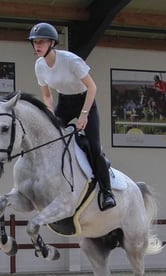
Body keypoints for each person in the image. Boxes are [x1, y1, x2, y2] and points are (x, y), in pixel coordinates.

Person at [28, 22, 116, 211]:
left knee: (94, 147)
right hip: (65, 103)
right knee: (49, 139)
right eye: (35, 42)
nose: (37, 46)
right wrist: (49, 113)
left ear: (52, 43)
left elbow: (93, 87)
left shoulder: (71, 61)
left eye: (41, 42)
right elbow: (47, 95)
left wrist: (84, 115)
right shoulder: (39, 66)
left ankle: (107, 191)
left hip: (86, 102)